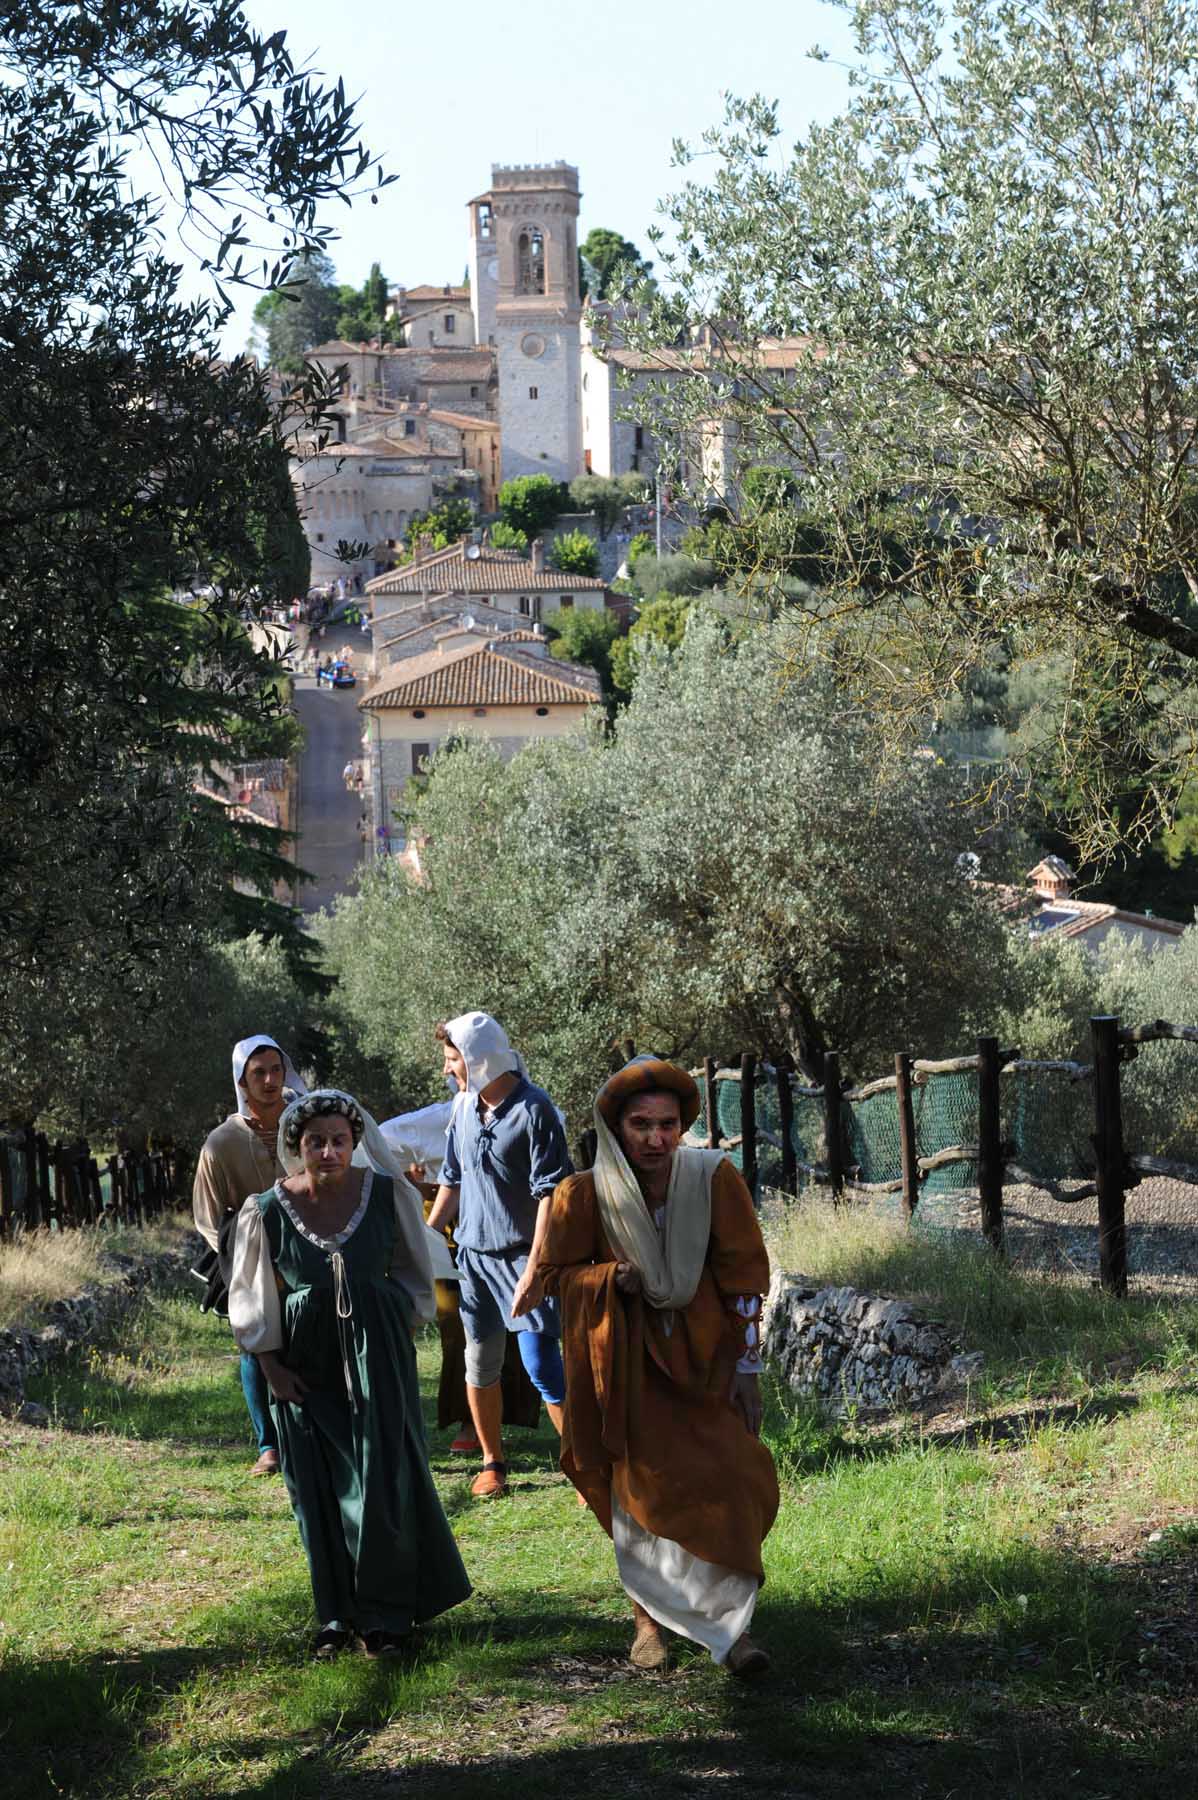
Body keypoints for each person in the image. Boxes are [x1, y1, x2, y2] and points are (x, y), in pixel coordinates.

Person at [538, 1055, 779, 1678]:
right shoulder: (583, 1193)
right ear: (615, 1129)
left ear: (683, 1125)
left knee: (729, 1478)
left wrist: (747, 1367)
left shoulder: (713, 1179)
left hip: (707, 1361)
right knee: (637, 1491)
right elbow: (556, 1279)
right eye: (640, 1125)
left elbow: (744, 1275)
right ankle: (648, 1621)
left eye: (667, 1124)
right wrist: (606, 1278)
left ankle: (734, 1631)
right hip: (624, 1367)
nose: (656, 1138)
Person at [228, 1090, 471, 1659]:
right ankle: (335, 1613)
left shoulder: (387, 1195)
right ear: (297, 1145)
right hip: (303, 1364)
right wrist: (270, 1366)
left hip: (378, 1357)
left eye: (339, 1140)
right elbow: (253, 1294)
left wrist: (395, 1333)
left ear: (355, 1143)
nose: (329, 1151)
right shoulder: (266, 1209)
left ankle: (386, 1614)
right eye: (316, 1141)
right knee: (317, 1485)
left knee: (381, 1478)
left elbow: (417, 1271)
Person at [426, 1013, 572, 1499]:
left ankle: (582, 1460)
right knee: (479, 1363)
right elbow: (452, 1179)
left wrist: (535, 1269)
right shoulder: (463, 1109)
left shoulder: (535, 1110)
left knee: (541, 1365)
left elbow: (552, 1194)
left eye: (452, 1060)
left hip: (522, 1259)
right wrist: (424, 1240)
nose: (448, 1070)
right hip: (473, 1259)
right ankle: (493, 1463)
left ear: (477, 1059)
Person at [192, 1035, 306, 1476]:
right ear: (242, 1080)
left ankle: (308, 1430)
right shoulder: (221, 1143)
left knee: (307, 1335)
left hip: (306, 1252)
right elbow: (206, 1214)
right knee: (255, 1343)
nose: (270, 1080)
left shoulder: (304, 1126)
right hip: (248, 1258)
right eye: (258, 1072)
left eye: (275, 1069)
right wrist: (237, 1257)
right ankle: (268, 1444)